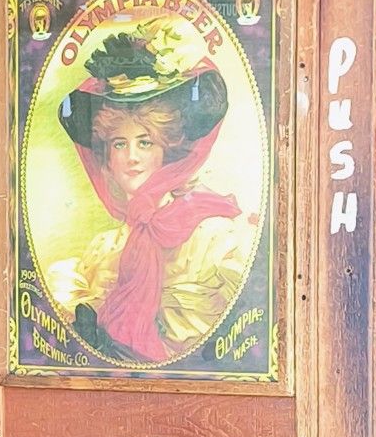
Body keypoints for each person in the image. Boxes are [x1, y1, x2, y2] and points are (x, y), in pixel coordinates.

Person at [48, 24, 245, 364]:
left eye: (145, 142)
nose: (131, 157)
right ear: (107, 158)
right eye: (119, 144)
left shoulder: (214, 237)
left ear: (167, 149)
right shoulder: (104, 249)